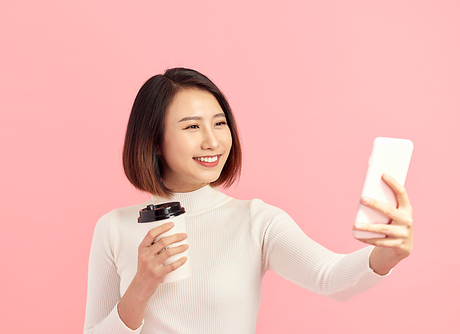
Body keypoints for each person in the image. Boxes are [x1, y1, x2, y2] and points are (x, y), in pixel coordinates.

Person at [83, 68, 414, 334]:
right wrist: (141, 287)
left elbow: (330, 277)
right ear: (154, 140)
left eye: (220, 123)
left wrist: (387, 254)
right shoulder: (114, 227)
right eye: (192, 127)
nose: (213, 141)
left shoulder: (256, 221)